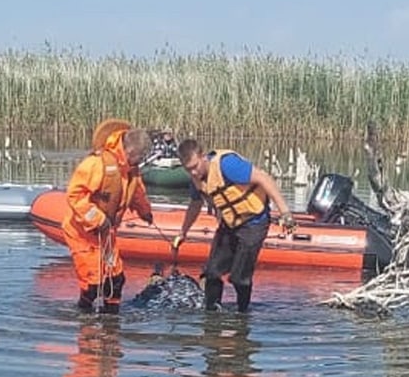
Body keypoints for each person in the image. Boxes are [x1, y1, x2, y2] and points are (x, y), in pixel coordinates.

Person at [172, 138, 296, 313]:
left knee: (239, 278)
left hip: (254, 222)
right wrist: (183, 232)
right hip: (230, 224)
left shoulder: (227, 165)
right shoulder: (196, 179)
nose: (193, 172)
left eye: (195, 166)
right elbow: (195, 205)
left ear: (203, 156)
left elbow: (264, 178)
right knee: (212, 273)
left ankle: (242, 315)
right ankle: (211, 315)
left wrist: (285, 213)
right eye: (188, 169)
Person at [63, 119, 154, 314]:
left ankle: (111, 325)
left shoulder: (130, 171)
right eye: (141, 156)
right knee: (93, 285)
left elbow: (137, 194)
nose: (142, 161)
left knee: (116, 281)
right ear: (132, 152)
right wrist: (97, 219)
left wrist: (145, 212)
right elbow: (75, 195)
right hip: (83, 234)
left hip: (107, 233)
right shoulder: (96, 164)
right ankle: (85, 326)